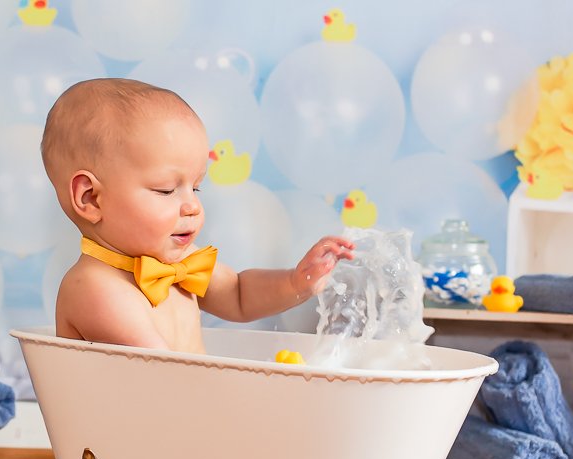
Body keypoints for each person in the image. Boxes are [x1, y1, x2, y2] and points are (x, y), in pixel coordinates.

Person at [41, 78, 354, 353]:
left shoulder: (179, 263)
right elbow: (164, 373)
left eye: (196, 188)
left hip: (182, 412)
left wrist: (296, 280)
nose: (191, 206)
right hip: (133, 418)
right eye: (165, 190)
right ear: (91, 197)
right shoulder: (95, 288)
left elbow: (239, 294)